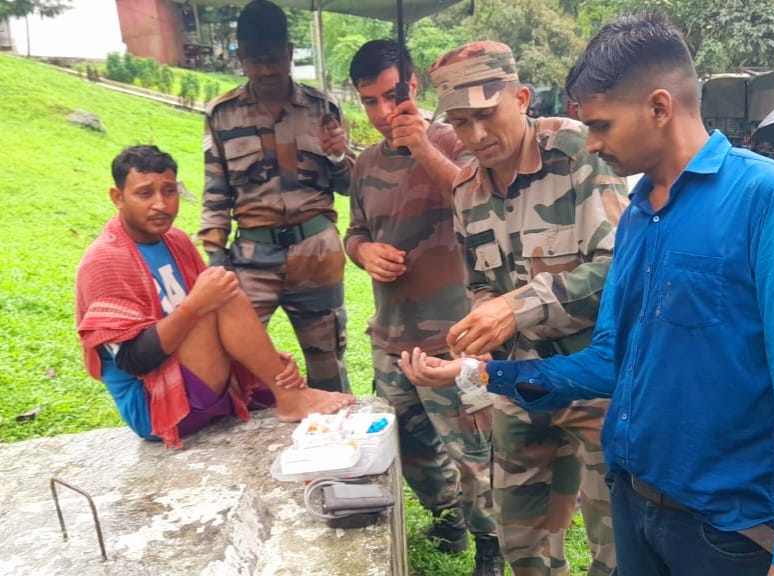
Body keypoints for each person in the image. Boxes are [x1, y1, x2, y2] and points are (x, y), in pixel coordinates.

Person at [402, 14, 774, 576]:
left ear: (659, 108)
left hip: (724, 527)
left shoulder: (770, 199)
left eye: (602, 125)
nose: (595, 142)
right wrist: (480, 374)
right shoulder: (639, 215)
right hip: (637, 503)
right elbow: (612, 360)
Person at [404, 41, 629, 576]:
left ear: (521, 97)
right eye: (460, 123)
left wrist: (516, 309)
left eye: (486, 115)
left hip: (595, 381)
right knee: (523, 545)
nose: (475, 136)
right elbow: (480, 283)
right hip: (519, 382)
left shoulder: (579, 154)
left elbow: (619, 270)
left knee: (618, 546)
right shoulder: (465, 189)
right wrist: (476, 341)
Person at [343, 40, 501, 576]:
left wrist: (422, 149)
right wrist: (364, 252)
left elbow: (475, 200)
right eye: (370, 102)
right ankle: (448, 519)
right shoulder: (364, 164)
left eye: (391, 96)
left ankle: (491, 543)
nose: (383, 113)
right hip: (391, 336)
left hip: (453, 337)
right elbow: (355, 231)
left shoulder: (456, 143)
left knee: (474, 453)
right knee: (411, 450)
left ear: (413, 87)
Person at [76, 145, 355, 448]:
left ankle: (285, 390)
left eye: (169, 191)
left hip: (193, 375)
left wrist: (266, 362)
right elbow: (133, 361)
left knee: (221, 290)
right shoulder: (104, 261)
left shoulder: (176, 241)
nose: (161, 204)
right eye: (145, 194)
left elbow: (213, 324)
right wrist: (194, 306)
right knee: (219, 294)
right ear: (118, 198)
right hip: (155, 406)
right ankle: (289, 397)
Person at [200, 0, 352, 392]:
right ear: (241, 58)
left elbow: (350, 185)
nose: (265, 69)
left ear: (288, 53)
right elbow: (215, 193)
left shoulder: (322, 108)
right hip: (252, 260)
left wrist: (338, 154)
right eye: (254, 60)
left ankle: (337, 444)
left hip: (316, 256)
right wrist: (217, 263)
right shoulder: (222, 114)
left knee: (327, 366)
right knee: (235, 361)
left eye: (272, 58)